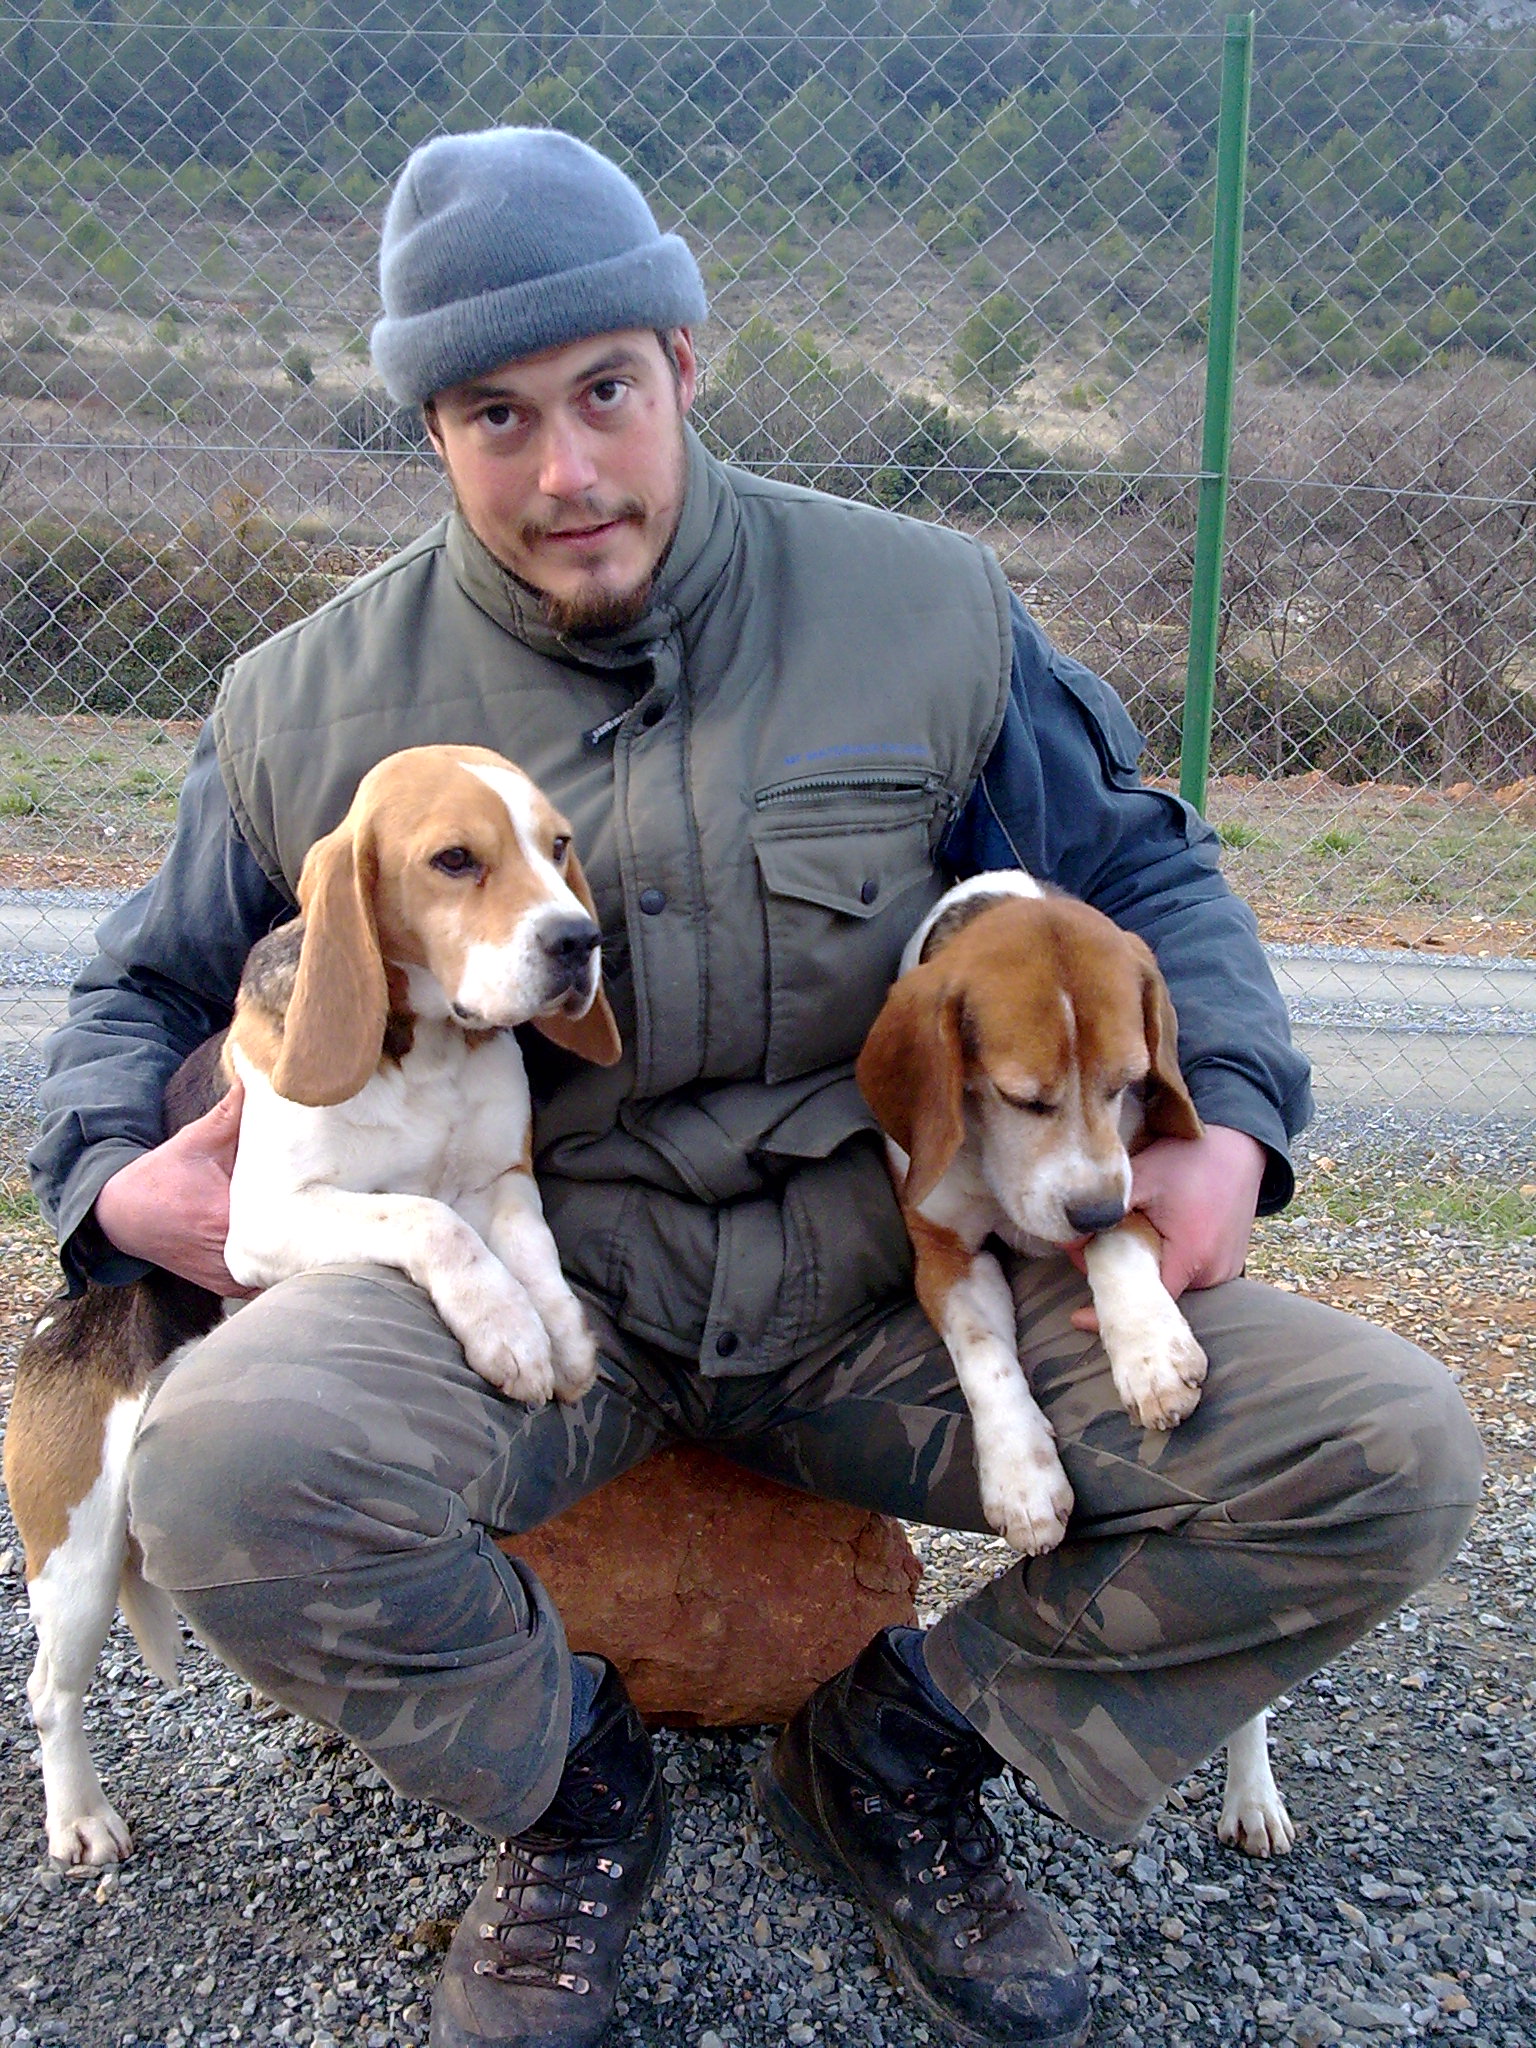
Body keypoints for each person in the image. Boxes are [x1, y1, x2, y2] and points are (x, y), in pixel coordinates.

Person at [32, 129, 1482, 2048]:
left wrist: (1233, 1133)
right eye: (494, 416)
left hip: (884, 1285)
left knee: (1386, 1448)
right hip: (546, 1297)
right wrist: (112, 1180)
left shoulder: (928, 610)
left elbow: (1141, 876)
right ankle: (564, 1782)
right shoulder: (307, 706)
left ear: (687, 363)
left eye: (607, 393)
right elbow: (136, 985)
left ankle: (905, 1752)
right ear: (433, 434)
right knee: (223, 1466)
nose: (565, 470)